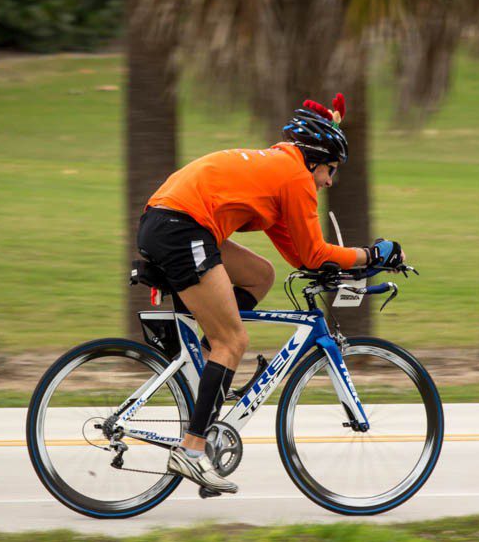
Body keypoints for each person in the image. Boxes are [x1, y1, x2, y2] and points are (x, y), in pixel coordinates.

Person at [136, 94, 406, 494]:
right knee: (234, 341)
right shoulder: (295, 177)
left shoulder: (280, 173)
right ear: (315, 159)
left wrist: (352, 265)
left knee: (260, 275)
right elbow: (316, 253)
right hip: (182, 228)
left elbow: (303, 257)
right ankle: (190, 453)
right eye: (331, 169)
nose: (330, 181)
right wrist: (373, 254)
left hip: (175, 222)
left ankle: (208, 360)